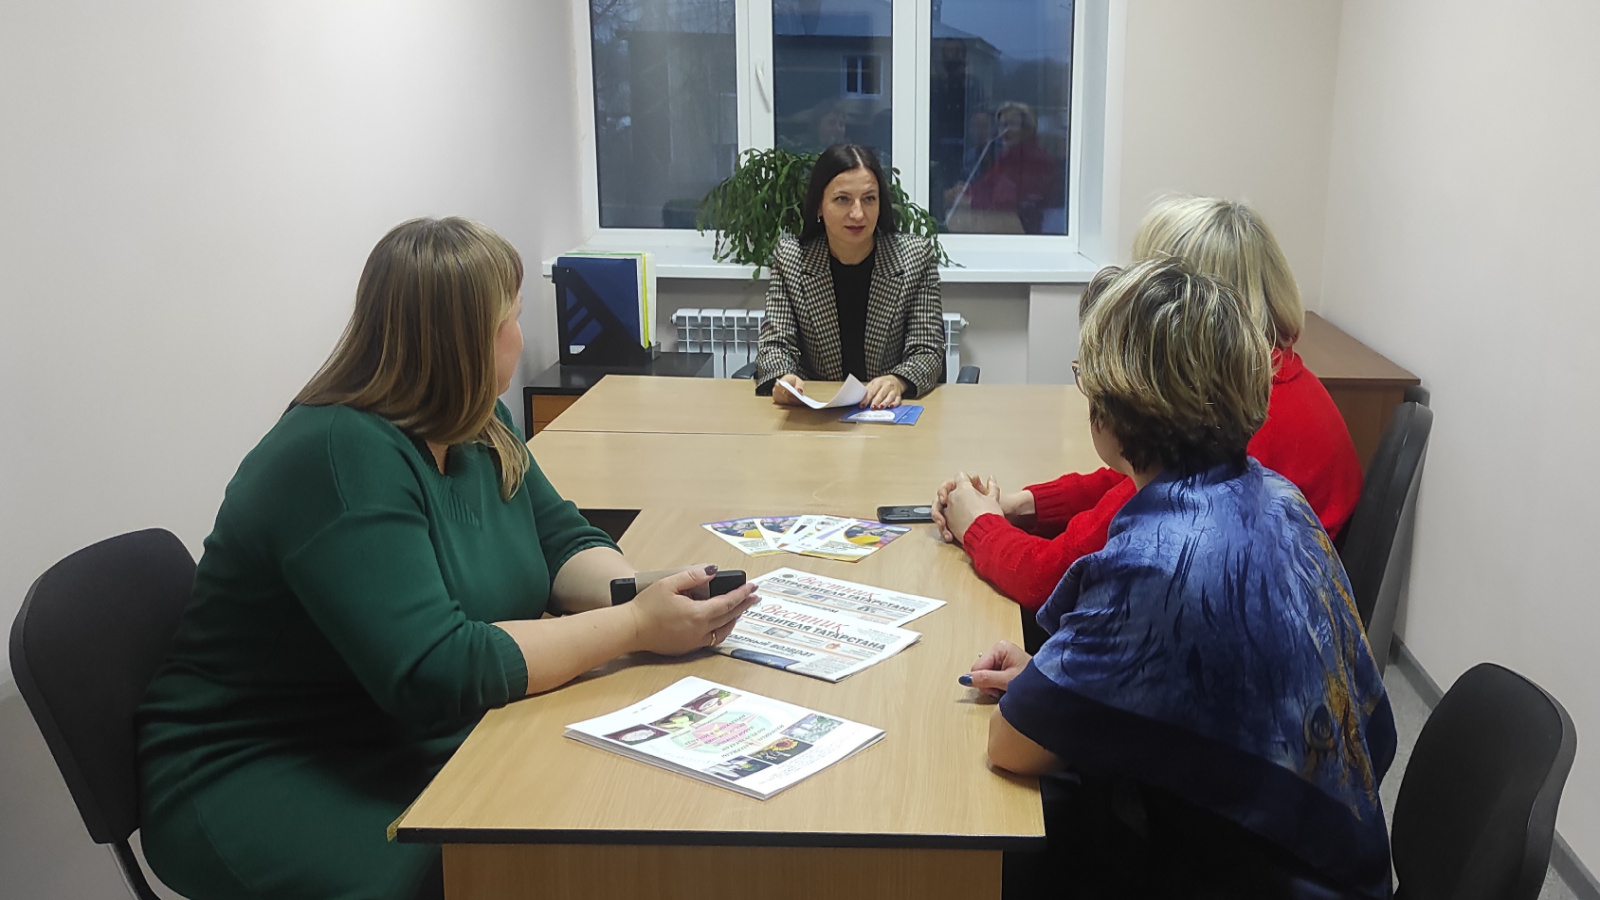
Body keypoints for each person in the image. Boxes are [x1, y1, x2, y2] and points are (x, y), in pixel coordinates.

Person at [136, 218, 761, 900]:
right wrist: (634, 626)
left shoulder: (477, 425)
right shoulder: (340, 453)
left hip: (399, 733)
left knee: (586, 811)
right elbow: (438, 669)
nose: (520, 337)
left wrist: (648, 592)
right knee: (499, 866)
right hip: (257, 767)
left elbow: (561, 541)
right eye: (511, 319)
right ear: (462, 341)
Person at [967, 258, 1395, 899]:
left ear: (1112, 409)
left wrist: (1052, 691)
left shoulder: (1156, 560)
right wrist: (1065, 676)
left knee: (1006, 833)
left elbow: (1011, 744)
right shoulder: (1275, 496)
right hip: (1332, 849)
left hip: (1260, 876)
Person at [933, 196, 1362, 611]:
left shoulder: (1245, 426)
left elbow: (1049, 578)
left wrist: (979, 526)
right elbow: (1131, 480)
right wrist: (1023, 506)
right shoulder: (1261, 383)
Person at [754, 143, 945, 409]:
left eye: (869, 199)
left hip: (886, 410)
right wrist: (784, 378)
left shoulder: (914, 257)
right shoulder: (792, 258)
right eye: (842, 199)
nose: (858, 213)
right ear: (819, 206)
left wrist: (898, 380)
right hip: (818, 413)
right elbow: (775, 344)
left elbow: (928, 350)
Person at [943, 102, 1064, 235]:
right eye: (1002, 126)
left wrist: (971, 201)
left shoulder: (1039, 161)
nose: (1005, 132)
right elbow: (985, 185)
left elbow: (1011, 203)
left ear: (1028, 129)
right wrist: (963, 192)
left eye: (1012, 125)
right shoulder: (1006, 159)